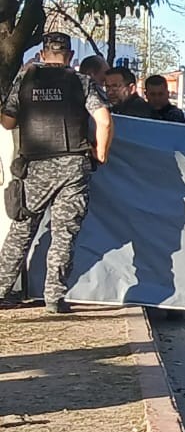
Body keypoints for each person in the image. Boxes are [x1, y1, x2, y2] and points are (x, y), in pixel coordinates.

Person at [0, 32, 113, 313]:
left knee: (22, 230)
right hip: (73, 166)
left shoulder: (25, 80)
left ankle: (1, 290)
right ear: (71, 56)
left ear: (41, 54)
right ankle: (54, 298)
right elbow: (104, 121)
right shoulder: (82, 81)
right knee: (64, 234)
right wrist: (101, 153)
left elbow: (7, 122)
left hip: (35, 166)